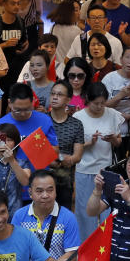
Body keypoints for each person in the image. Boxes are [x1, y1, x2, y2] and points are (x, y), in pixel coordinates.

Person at [10, 170, 80, 261]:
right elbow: (14, 251)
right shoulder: (19, 216)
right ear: (30, 192)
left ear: (56, 192)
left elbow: (71, 255)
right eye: (39, 191)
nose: (45, 195)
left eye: (50, 190)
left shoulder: (68, 217)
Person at [73, 83, 124, 240]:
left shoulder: (112, 114)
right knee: (84, 213)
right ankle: (85, 248)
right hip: (84, 170)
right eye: (96, 103)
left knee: (107, 211)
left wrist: (113, 138)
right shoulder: (78, 118)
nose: (100, 106)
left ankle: (107, 247)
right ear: (88, 99)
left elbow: (119, 143)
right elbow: (73, 148)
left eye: (103, 103)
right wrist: (90, 143)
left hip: (106, 170)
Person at [47, 80, 85, 214]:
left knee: (62, 215)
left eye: (59, 94)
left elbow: (78, 156)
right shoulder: (42, 120)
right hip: (42, 177)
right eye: (53, 94)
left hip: (65, 180)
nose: (55, 97)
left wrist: (63, 159)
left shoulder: (76, 124)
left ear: (68, 99)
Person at [0, 0, 30, 92]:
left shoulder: (21, 21)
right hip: (0, 69)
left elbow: (24, 42)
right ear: (5, 4)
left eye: (18, 3)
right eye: (13, 3)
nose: (16, 6)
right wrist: (5, 45)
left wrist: (24, 47)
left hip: (17, 67)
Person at [49, 0, 82, 68]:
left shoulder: (54, 27)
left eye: (79, 9)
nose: (79, 13)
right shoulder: (76, 31)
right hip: (70, 68)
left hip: (56, 67)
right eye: (76, 10)